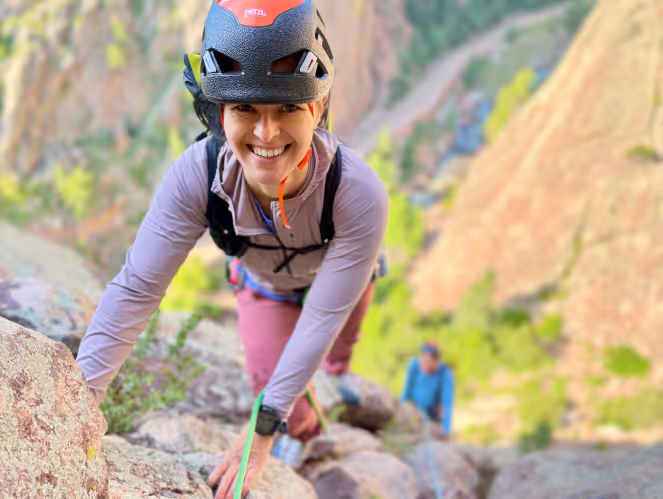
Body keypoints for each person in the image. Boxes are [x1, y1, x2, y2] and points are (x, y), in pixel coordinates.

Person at [75, 1, 388, 498]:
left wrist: (260, 432)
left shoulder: (357, 194)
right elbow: (137, 289)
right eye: (245, 108)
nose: (266, 134)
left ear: (317, 109)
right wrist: (77, 404)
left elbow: (323, 315)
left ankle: (339, 373)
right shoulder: (198, 175)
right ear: (221, 112)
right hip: (265, 285)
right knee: (276, 388)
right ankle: (309, 429)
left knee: (334, 345)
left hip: (341, 283)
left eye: (286, 107)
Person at [401, 341, 455, 436]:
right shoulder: (414, 366)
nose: (423, 364)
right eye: (422, 359)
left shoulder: (445, 374)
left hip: (432, 414)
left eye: (427, 361)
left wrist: (446, 431)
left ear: (435, 361)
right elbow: (406, 392)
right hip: (414, 409)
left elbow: (447, 404)